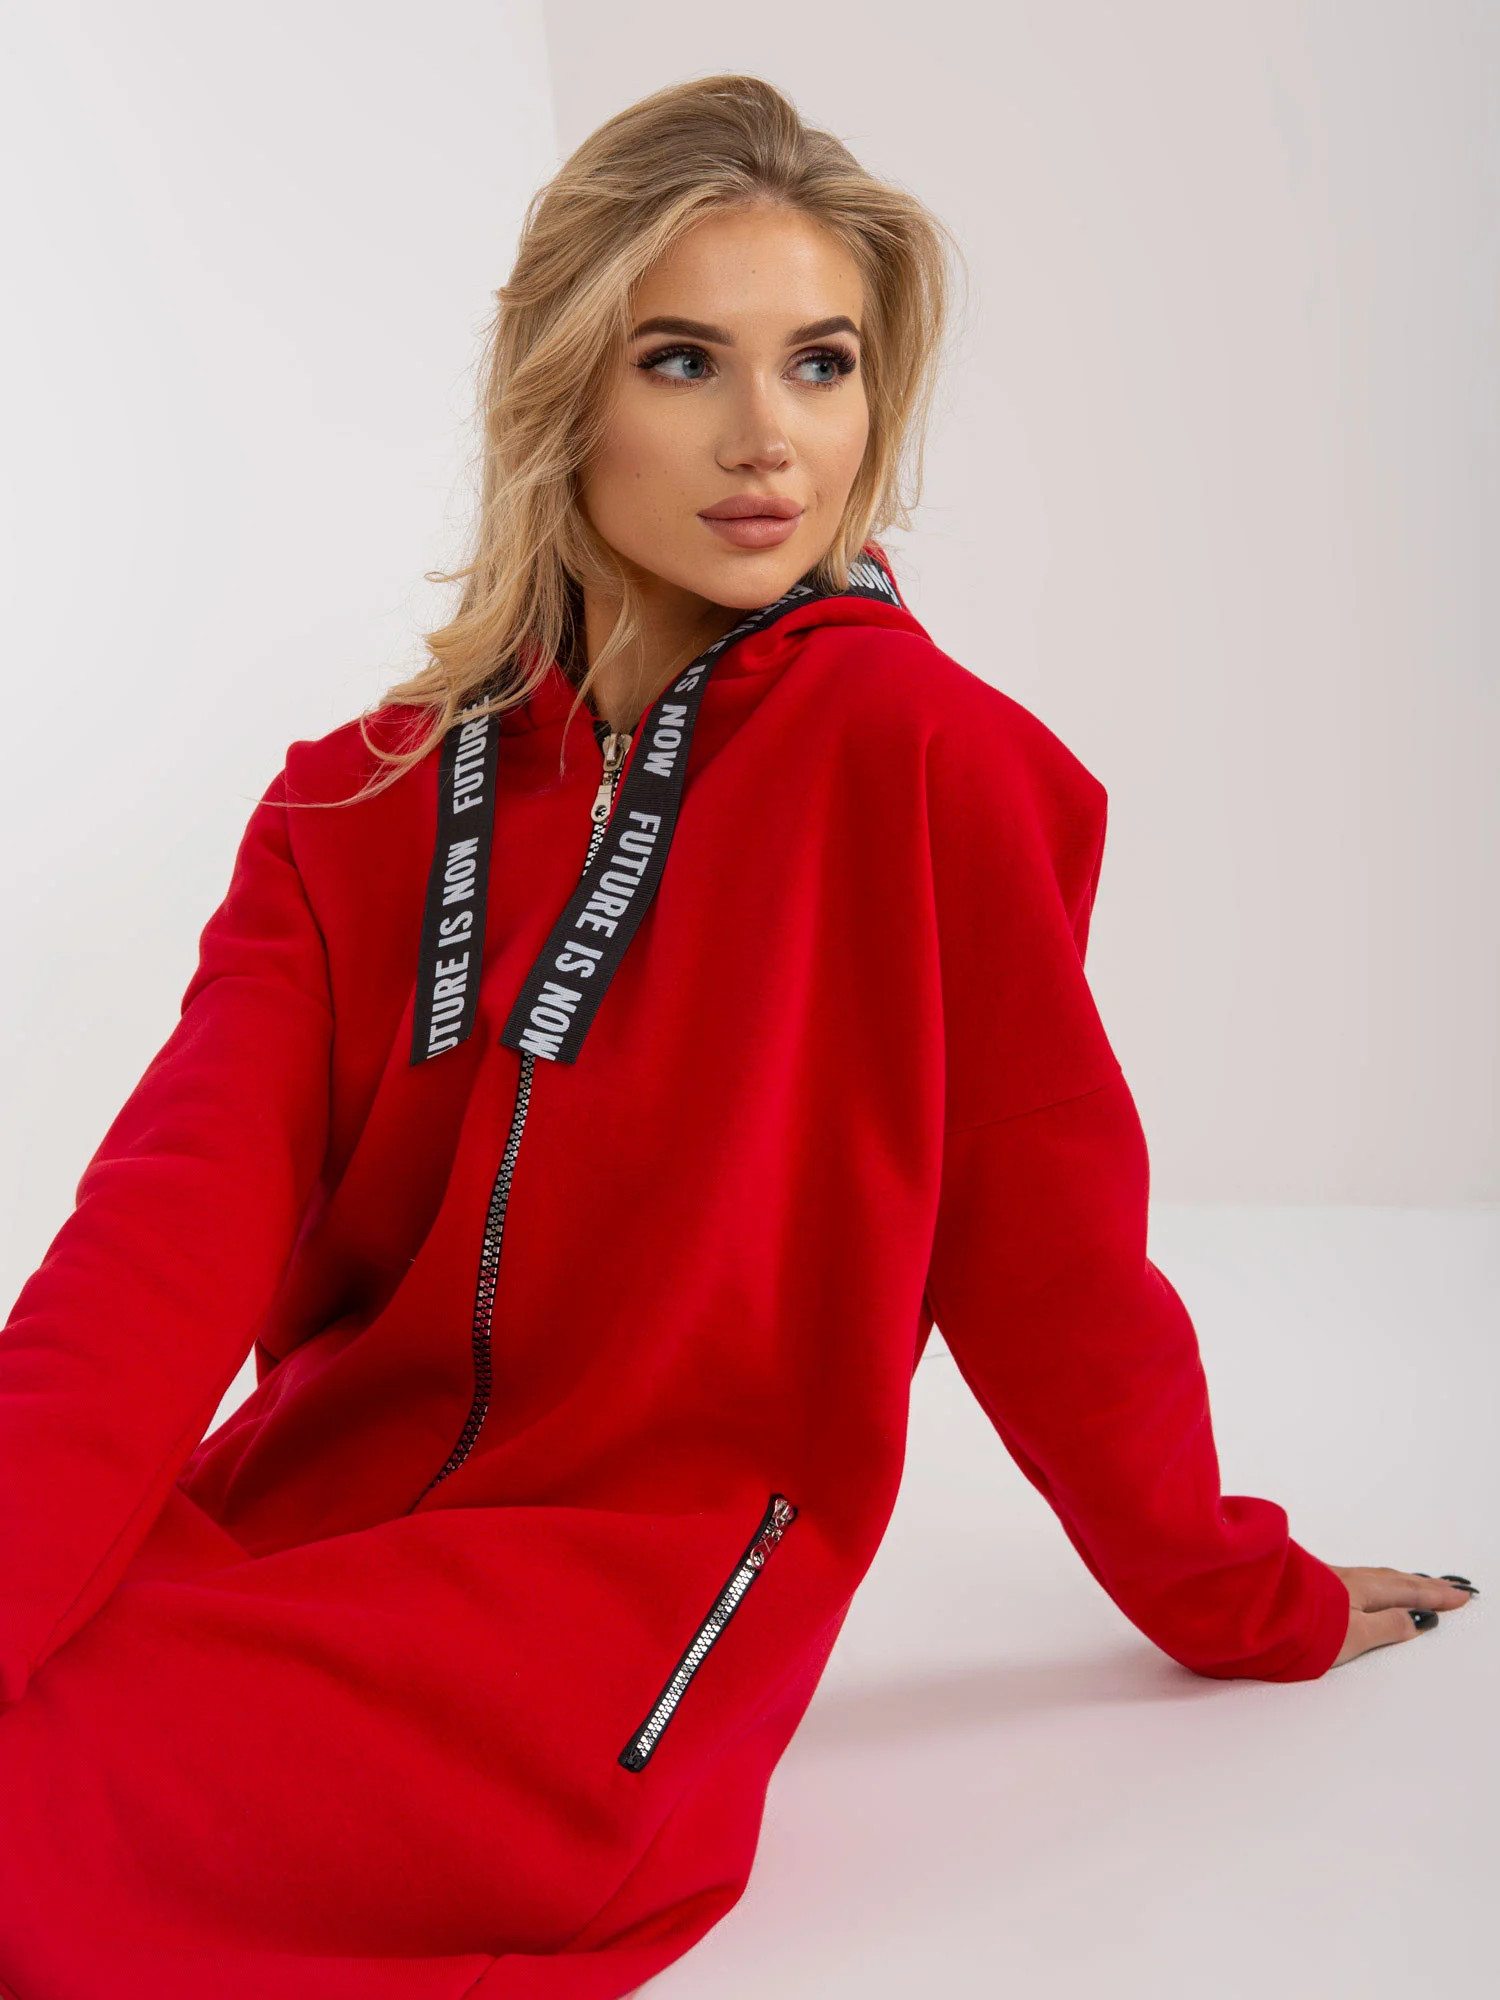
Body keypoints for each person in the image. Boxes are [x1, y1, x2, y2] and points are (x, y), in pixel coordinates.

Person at [0, 71, 1475, 2000]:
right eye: (685, 360)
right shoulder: (356, 802)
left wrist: (1227, 1590)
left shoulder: (923, 764)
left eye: (824, 365)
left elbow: (1050, 1256)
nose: (771, 438)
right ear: (562, 392)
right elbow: (152, 1252)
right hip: (289, 1536)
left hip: (613, 1621)